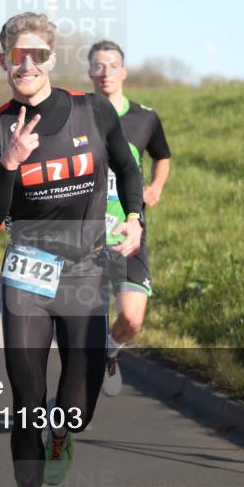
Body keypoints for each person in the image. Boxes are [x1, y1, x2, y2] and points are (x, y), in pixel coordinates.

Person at [0, 13, 143, 487]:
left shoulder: (93, 112)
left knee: (75, 409)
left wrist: (134, 217)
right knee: (27, 402)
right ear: (4, 60)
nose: (26, 64)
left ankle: (63, 436)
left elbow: (129, 169)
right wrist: (9, 165)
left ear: (51, 58)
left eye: (36, 55)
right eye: (15, 56)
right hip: (27, 273)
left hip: (85, 272)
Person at [87, 40, 172, 397]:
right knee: (81, 332)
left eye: (112, 65)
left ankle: (111, 351)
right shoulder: (77, 115)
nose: (105, 72)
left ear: (124, 72)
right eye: (98, 66)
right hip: (85, 238)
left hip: (128, 233)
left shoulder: (144, 118)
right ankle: (80, 399)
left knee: (132, 319)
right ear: (90, 72)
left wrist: (156, 186)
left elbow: (162, 155)